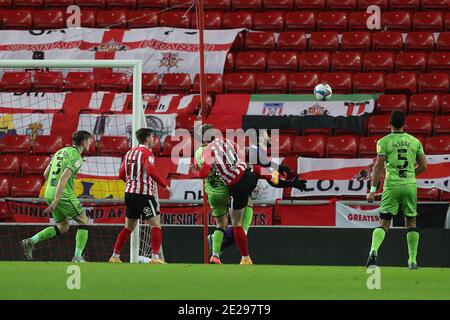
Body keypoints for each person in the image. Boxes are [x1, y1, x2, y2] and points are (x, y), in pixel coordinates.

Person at [194, 126, 267, 265]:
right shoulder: (221, 147)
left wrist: (196, 172)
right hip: (228, 189)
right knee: (245, 210)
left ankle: (215, 254)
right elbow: (238, 160)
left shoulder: (198, 152)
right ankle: (241, 244)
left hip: (212, 192)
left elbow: (202, 171)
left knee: (220, 224)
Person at [366, 109, 427, 269]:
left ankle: (373, 250)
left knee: (384, 222)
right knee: (411, 221)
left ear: (389, 123)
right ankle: (412, 260)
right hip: (409, 185)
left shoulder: (383, 142)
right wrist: (411, 175)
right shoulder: (415, 141)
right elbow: (424, 165)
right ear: (404, 123)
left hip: (391, 185)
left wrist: (373, 190)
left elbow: (379, 167)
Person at [21, 130, 93, 262]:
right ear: (83, 141)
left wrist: (53, 191)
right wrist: (57, 199)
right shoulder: (77, 157)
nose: (90, 142)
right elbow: (64, 177)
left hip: (49, 191)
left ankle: (31, 241)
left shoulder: (60, 152)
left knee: (63, 226)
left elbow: (45, 173)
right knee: (83, 220)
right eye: (89, 140)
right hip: (62, 194)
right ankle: (77, 258)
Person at [109, 128, 172, 264]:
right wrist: (165, 186)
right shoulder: (147, 153)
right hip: (143, 195)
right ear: (147, 138)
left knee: (128, 227)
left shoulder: (129, 153)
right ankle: (155, 258)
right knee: (156, 225)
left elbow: (121, 175)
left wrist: (132, 184)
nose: (154, 139)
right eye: (152, 137)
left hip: (129, 193)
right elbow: (150, 170)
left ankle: (115, 256)